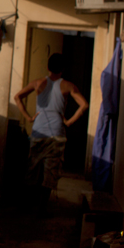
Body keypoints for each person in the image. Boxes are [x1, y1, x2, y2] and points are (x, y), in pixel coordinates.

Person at [13, 53, 89, 207]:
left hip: (38, 132)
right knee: (50, 172)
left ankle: (26, 205)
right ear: (63, 69)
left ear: (48, 67)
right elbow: (84, 105)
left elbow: (17, 97)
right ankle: (42, 207)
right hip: (57, 134)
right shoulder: (68, 86)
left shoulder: (38, 83)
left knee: (32, 168)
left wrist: (28, 118)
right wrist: (68, 122)